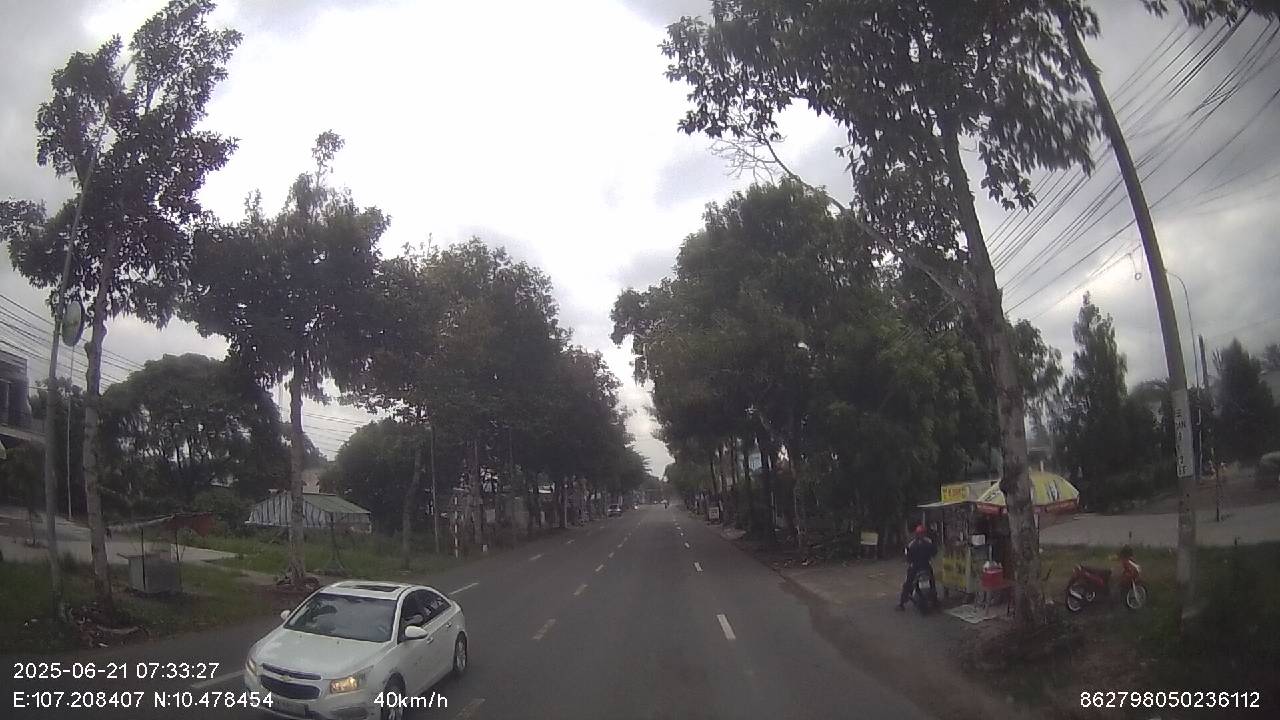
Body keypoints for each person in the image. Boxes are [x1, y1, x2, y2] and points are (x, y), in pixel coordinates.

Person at [897, 524, 937, 611]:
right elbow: (934, 552)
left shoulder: (913, 544)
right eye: (921, 533)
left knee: (908, 583)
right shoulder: (928, 542)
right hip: (925, 566)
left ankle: (901, 603)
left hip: (916, 567)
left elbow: (908, 556)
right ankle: (935, 601)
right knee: (931, 582)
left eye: (922, 533)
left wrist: (909, 560)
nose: (921, 535)